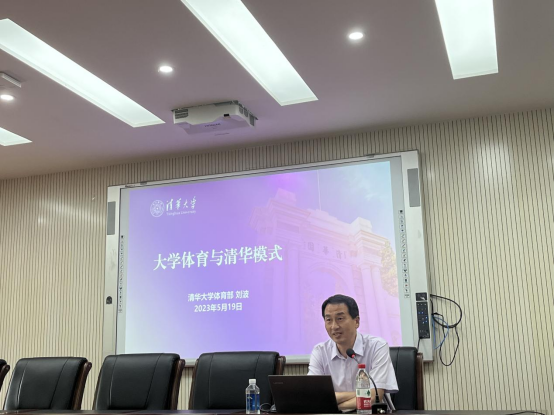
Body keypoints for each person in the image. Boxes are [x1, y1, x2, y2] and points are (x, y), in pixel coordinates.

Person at [308, 294, 398, 411]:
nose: (334, 326)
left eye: (340, 318)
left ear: (356, 321)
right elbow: (314, 395)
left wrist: (331, 405)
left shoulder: (377, 346)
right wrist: (361, 394)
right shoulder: (320, 351)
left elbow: (373, 397)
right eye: (328, 320)